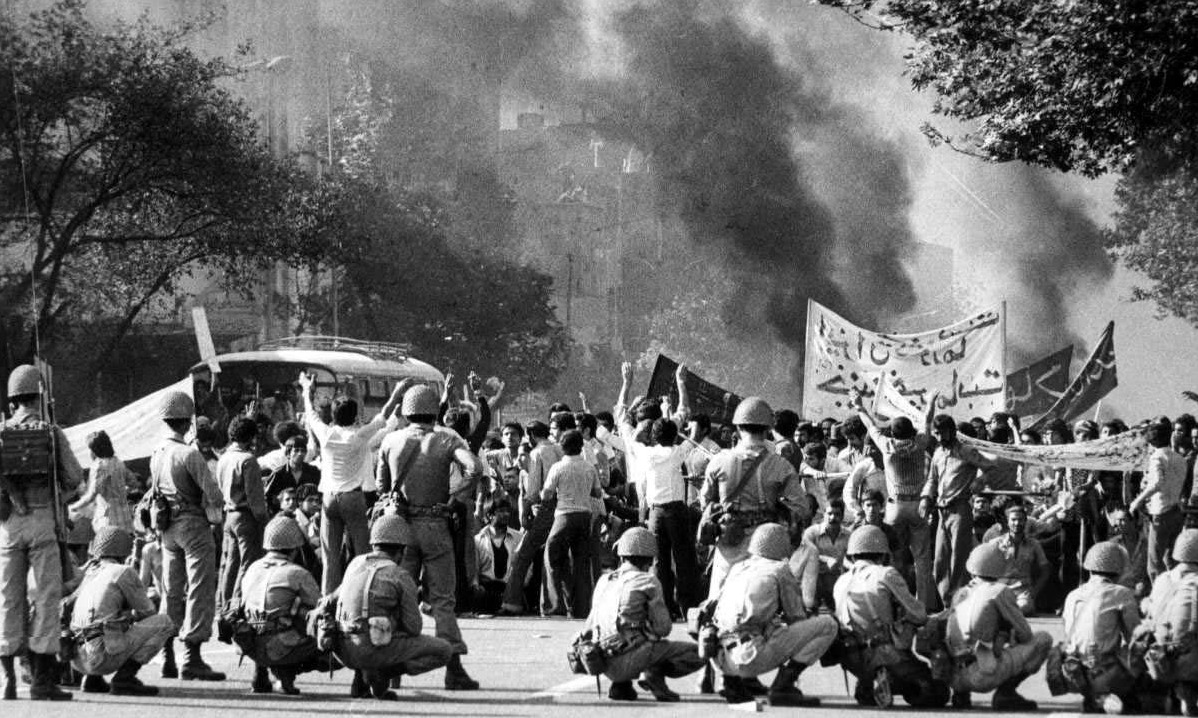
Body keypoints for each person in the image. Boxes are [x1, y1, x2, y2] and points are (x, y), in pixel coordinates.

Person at [375, 384, 483, 690]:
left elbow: (383, 488)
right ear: (435, 410)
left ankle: (391, 668)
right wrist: (454, 499)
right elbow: (474, 468)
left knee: (397, 598)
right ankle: (454, 668)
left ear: (407, 411)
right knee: (443, 602)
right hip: (435, 524)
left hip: (399, 529)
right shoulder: (446, 439)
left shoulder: (391, 439)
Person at [0, 364, 84, 701]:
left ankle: (8, 680)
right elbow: (74, 477)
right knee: (48, 599)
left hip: (8, 526)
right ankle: (42, 681)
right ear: (41, 396)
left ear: (12, 400)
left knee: (9, 599)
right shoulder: (51, 432)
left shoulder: (3, 431)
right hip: (43, 521)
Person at [321, 514, 453, 701]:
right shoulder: (399, 575)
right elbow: (413, 626)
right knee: (444, 650)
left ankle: (361, 676)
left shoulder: (355, 564)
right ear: (402, 551)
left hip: (342, 650)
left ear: (374, 544)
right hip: (373, 648)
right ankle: (382, 673)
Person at [300, 371, 405, 594]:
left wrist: (306, 390)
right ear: (355, 415)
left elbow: (311, 414)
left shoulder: (326, 435)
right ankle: (360, 598)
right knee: (362, 555)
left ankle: (328, 605)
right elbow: (382, 417)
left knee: (330, 558)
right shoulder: (359, 436)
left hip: (329, 498)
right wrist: (396, 394)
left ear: (334, 416)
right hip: (353, 498)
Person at [712, 523, 838, 705]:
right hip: (750, 657)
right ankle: (783, 687)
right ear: (781, 545)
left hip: (721, 658)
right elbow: (797, 616)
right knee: (828, 624)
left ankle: (733, 682)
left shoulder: (738, 567)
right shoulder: (779, 570)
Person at [151, 389, 227, 681]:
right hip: (193, 526)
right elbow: (214, 496)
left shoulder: (157, 453)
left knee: (171, 589)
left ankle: (166, 652)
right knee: (200, 588)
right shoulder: (189, 454)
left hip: (167, 527)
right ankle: (191, 656)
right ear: (188, 422)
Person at [700, 396, 809, 598]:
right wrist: (779, 511)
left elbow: (705, 501)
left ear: (738, 428)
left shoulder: (719, 461)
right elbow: (801, 508)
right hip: (764, 543)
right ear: (768, 429)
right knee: (759, 600)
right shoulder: (781, 466)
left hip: (728, 538)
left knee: (721, 599)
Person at [580, 526, 704, 701]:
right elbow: (663, 628)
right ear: (651, 559)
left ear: (621, 556)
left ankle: (621, 686)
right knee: (700, 652)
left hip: (601, 662)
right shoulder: (648, 581)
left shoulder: (604, 580)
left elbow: (589, 627)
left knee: (625, 632)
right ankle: (654, 674)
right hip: (632, 658)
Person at [834, 525, 949, 708]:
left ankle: (868, 681)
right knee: (936, 692)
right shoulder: (885, 574)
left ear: (853, 555)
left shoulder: (841, 581)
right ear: (883, 554)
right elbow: (918, 615)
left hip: (852, 656)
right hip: (886, 652)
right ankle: (889, 677)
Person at [617, 362, 699, 618]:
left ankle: (663, 607)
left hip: (653, 511)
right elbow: (683, 413)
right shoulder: (677, 452)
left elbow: (621, 417)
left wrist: (626, 384)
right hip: (676, 510)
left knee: (659, 561)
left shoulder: (643, 453)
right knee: (684, 558)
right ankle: (689, 607)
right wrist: (681, 383)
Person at [853, 390, 937, 608]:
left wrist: (859, 406)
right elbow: (928, 422)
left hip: (895, 507)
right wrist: (930, 403)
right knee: (922, 559)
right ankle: (924, 604)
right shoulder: (920, 443)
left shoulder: (886, 445)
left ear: (892, 432)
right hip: (918, 505)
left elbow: (870, 425)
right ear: (911, 431)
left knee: (895, 556)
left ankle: (898, 602)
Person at [66, 527, 173, 696]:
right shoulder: (122, 572)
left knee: (106, 620)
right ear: (125, 549)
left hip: (77, 659)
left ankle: (92, 680)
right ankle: (124, 679)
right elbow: (147, 612)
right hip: (102, 658)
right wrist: (131, 611)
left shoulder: (89, 572)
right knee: (164, 622)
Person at [945, 542, 1053, 710]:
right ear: (1001, 566)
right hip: (983, 675)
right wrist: (1005, 630)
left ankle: (960, 695)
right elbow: (1026, 635)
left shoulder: (961, 593)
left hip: (954, 675)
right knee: (1043, 640)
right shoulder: (999, 591)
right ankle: (1006, 693)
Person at [234, 516, 327, 696]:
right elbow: (320, 607)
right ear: (294, 549)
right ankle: (286, 675)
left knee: (259, 618)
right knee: (321, 626)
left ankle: (260, 673)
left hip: (248, 643)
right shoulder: (298, 573)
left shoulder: (252, 568)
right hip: (281, 645)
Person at [1057, 542, 1141, 714]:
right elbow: (1134, 635)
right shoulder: (1122, 593)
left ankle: (1095, 696)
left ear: (1089, 569)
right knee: (1143, 645)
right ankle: (1110, 693)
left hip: (1071, 670)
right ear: (1119, 570)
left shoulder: (1073, 595)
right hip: (1103, 669)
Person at [924, 413, 996, 607]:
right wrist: (925, 498)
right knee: (939, 561)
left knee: (959, 559)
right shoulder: (938, 453)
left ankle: (960, 603)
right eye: (936, 433)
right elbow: (932, 480)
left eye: (943, 433)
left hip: (960, 509)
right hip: (941, 511)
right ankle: (947, 603)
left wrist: (980, 480)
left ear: (952, 431)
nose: (940, 437)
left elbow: (990, 466)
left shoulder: (966, 450)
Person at [499, 420, 563, 616]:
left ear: (532, 435)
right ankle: (561, 604)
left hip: (545, 507)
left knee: (522, 555)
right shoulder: (559, 449)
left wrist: (525, 510)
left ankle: (511, 602)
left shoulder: (536, 453)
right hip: (562, 506)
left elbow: (534, 490)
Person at [542, 430, 603, 617]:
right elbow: (598, 493)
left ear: (562, 446)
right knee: (581, 563)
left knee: (551, 558)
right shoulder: (589, 468)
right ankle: (581, 608)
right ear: (581, 446)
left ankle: (555, 606)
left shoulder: (558, 467)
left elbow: (546, 494)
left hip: (564, 516)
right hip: (585, 516)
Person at [1138, 529, 1198, 715]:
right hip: (1189, 658)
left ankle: (1170, 694)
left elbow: (1150, 610)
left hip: (1159, 657)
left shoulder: (1163, 579)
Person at [217, 416, 269, 610]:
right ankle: (236, 605)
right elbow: (255, 498)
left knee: (230, 563)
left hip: (229, 514)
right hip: (245, 515)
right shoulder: (248, 460)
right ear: (251, 437)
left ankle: (223, 604)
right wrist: (264, 520)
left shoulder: (223, 458)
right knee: (247, 563)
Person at [1129, 418, 1187, 580]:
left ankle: (1160, 598)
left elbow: (1156, 483)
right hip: (1176, 510)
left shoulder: (1157, 458)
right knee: (1171, 559)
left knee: (1154, 565)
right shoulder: (1179, 458)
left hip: (1160, 513)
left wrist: (1137, 501)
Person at [988, 502, 1051, 615]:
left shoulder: (1034, 544)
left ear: (1025, 521)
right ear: (1008, 522)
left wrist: (1034, 592)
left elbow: (1045, 569)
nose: (1017, 523)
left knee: (1024, 607)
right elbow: (981, 566)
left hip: (1023, 592)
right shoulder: (995, 543)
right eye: (1013, 520)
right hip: (1000, 590)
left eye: (1021, 520)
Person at [69, 430, 135, 532]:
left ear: (95, 450)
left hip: (108, 522)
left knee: (106, 547)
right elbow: (133, 483)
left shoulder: (99, 466)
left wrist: (73, 507)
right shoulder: (118, 462)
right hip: (125, 520)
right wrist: (121, 493)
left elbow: (91, 496)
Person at [798, 498, 849, 611]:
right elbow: (805, 553)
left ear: (842, 516)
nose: (832, 518)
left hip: (836, 580)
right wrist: (827, 559)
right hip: (815, 579)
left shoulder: (848, 535)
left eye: (837, 514)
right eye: (829, 513)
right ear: (824, 514)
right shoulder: (811, 532)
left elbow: (850, 558)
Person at [474, 499, 523, 614]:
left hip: (509, 588)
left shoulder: (518, 537)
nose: (506, 514)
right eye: (500, 511)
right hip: (487, 586)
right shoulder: (478, 540)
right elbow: (474, 568)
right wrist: (476, 586)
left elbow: (525, 565)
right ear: (490, 515)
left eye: (507, 511)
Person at [264, 434, 319, 513]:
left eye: (303, 450)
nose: (300, 453)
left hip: (309, 516)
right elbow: (267, 497)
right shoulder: (278, 474)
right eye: (296, 450)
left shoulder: (313, 472)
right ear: (288, 453)